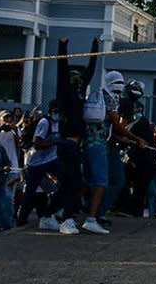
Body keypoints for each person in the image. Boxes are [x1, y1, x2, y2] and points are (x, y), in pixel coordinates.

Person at [85, 70, 148, 232]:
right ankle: (92, 216)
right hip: (100, 144)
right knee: (101, 181)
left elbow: (113, 127)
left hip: (97, 142)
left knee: (101, 180)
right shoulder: (111, 99)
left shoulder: (102, 95)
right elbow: (117, 125)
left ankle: (90, 212)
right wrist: (136, 139)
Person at [55, 37, 98, 235]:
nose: (77, 77)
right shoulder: (64, 92)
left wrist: (95, 47)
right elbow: (61, 69)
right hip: (67, 144)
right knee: (75, 183)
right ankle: (67, 220)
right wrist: (63, 46)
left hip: (75, 146)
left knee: (67, 184)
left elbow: (90, 70)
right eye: (73, 75)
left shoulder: (80, 92)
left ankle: (48, 215)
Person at [17, 101, 62, 230]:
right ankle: (22, 219)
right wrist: (55, 142)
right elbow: (37, 144)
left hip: (51, 159)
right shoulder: (44, 123)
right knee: (30, 191)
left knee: (67, 181)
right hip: (36, 162)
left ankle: (54, 211)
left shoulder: (58, 123)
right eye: (57, 111)